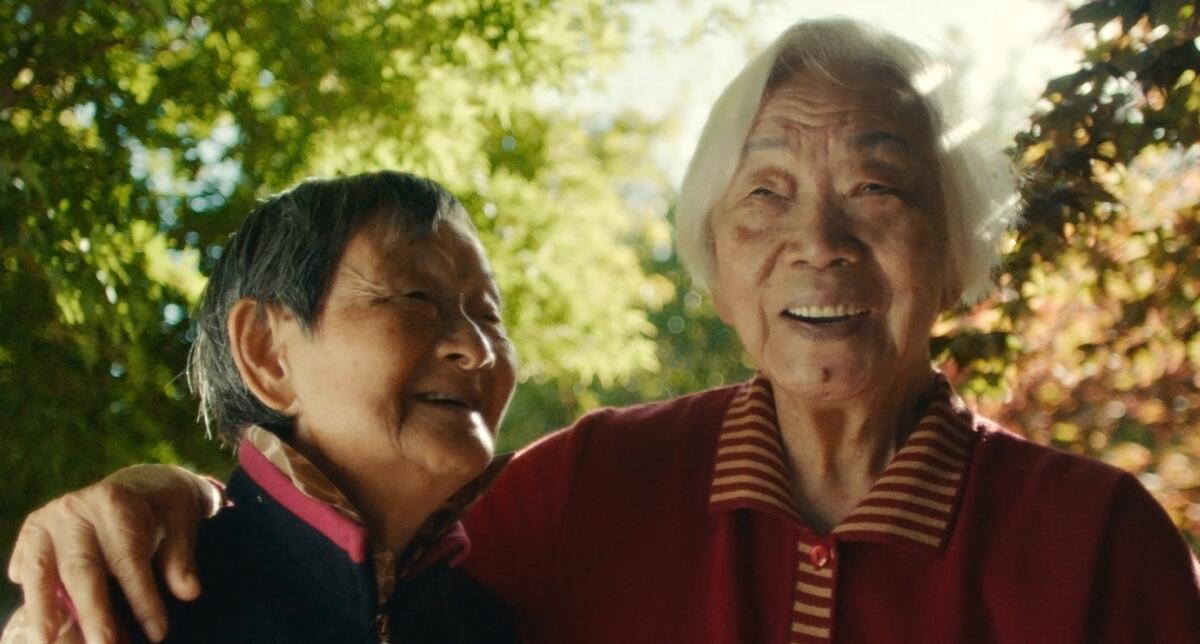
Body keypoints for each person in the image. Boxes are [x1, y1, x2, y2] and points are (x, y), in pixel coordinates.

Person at [8, 18, 1200, 644]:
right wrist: (184, 493)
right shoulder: (584, 486)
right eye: (766, 194)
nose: (820, 242)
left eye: (880, 189)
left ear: (953, 246)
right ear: (717, 262)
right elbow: (354, 542)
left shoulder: (1100, 541)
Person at [2, 171, 520, 643]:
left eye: (488, 314)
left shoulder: (494, 624)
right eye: (415, 297)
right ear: (267, 352)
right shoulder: (111, 612)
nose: (477, 348)